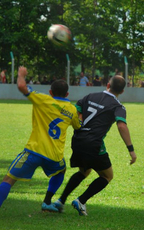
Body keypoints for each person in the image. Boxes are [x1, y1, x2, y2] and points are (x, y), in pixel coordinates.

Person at [0, 66, 81, 220]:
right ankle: (47, 201)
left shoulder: (43, 99)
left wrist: (21, 74)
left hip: (33, 152)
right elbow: (78, 125)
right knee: (61, 170)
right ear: (67, 94)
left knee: (8, 179)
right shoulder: (72, 109)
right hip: (54, 155)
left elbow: (22, 86)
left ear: (50, 92)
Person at [53, 75, 137, 216]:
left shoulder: (90, 95)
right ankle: (81, 200)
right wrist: (131, 150)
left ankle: (60, 201)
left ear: (107, 85)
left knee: (84, 171)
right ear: (122, 91)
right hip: (93, 143)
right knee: (107, 176)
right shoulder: (118, 106)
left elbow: (75, 111)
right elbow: (122, 126)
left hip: (78, 139)